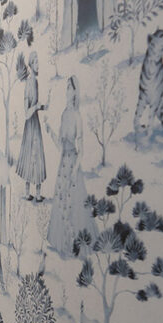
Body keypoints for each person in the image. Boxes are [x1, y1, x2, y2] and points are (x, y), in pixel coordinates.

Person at [46, 76, 91, 254]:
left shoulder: (77, 116)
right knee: (62, 202)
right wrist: (49, 131)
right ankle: (64, 242)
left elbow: (82, 149)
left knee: (73, 204)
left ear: (75, 92)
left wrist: (74, 169)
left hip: (72, 164)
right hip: (62, 163)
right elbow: (60, 145)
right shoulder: (64, 113)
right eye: (66, 88)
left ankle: (74, 244)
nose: (66, 91)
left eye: (69, 88)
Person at [15, 51, 47, 202]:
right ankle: (29, 193)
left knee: (37, 156)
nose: (38, 65)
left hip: (36, 124)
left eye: (38, 62)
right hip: (30, 126)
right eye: (36, 62)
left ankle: (38, 194)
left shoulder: (36, 82)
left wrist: (42, 107)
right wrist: (36, 107)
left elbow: (34, 108)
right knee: (30, 156)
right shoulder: (29, 83)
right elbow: (26, 113)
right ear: (31, 63)